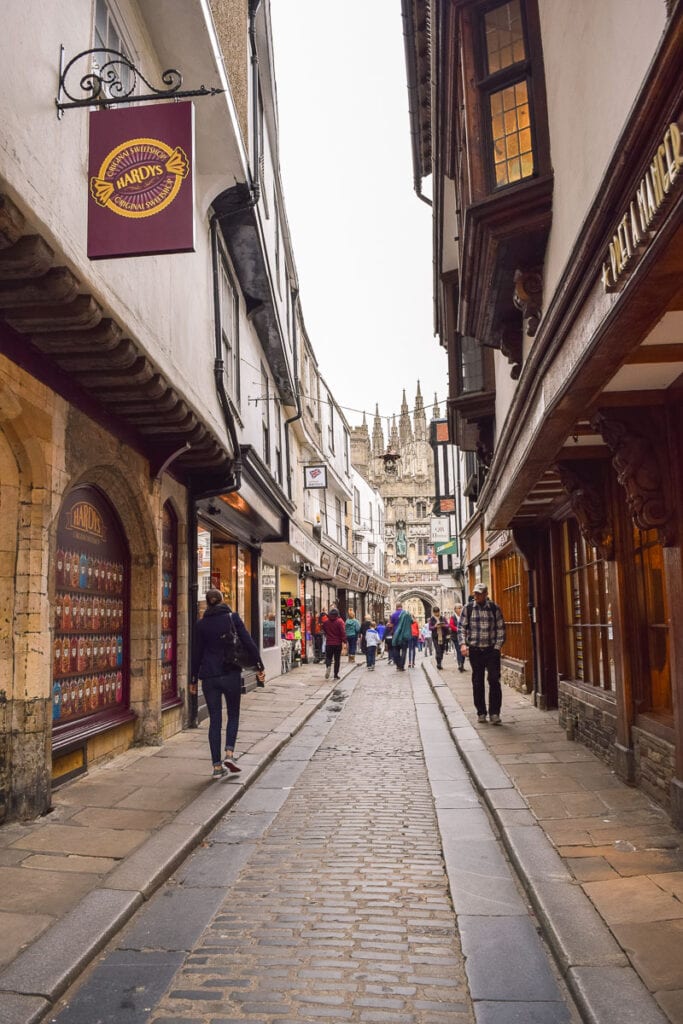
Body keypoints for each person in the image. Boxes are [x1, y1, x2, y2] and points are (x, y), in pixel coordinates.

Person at [191, 588, 264, 779]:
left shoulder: (201, 624)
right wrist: (259, 666)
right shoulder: (232, 618)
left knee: (214, 720)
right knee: (233, 714)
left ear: (207, 603)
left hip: (209, 677)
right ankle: (229, 754)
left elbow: (196, 653)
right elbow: (248, 642)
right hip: (230, 673)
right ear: (222, 600)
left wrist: (192, 678)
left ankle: (216, 767)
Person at [458, 583, 506, 725]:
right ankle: (481, 712)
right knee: (477, 681)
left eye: (479, 594)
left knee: (494, 680)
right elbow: (461, 628)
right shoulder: (468, 609)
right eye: (475, 594)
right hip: (475, 650)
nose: (476, 596)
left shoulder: (494, 608)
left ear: (485, 594)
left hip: (491, 650)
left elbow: (501, 628)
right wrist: (462, 644)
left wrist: (497, 647)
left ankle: (495, 713)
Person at [322, 606, 346, 680]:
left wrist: (328, 635)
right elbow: (343, 632)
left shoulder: (326, 622)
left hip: (329, 643)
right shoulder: (340, 621)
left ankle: (328, 666)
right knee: (337, 659)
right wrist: (344, 641)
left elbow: (324, 630)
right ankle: (336, 674)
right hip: (337, 643)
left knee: (328, 657)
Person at [450, 604, 466, 671]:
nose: (460, 609)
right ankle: (460, 664)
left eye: (461, 608)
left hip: (464, 636)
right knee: (458, 650)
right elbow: (451, 625)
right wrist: (458, 629)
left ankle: (462, 663)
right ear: (455, 609)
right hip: (455, 636)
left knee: (464, 650)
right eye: (458, 608)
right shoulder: (453, 617)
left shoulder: (464, 616)